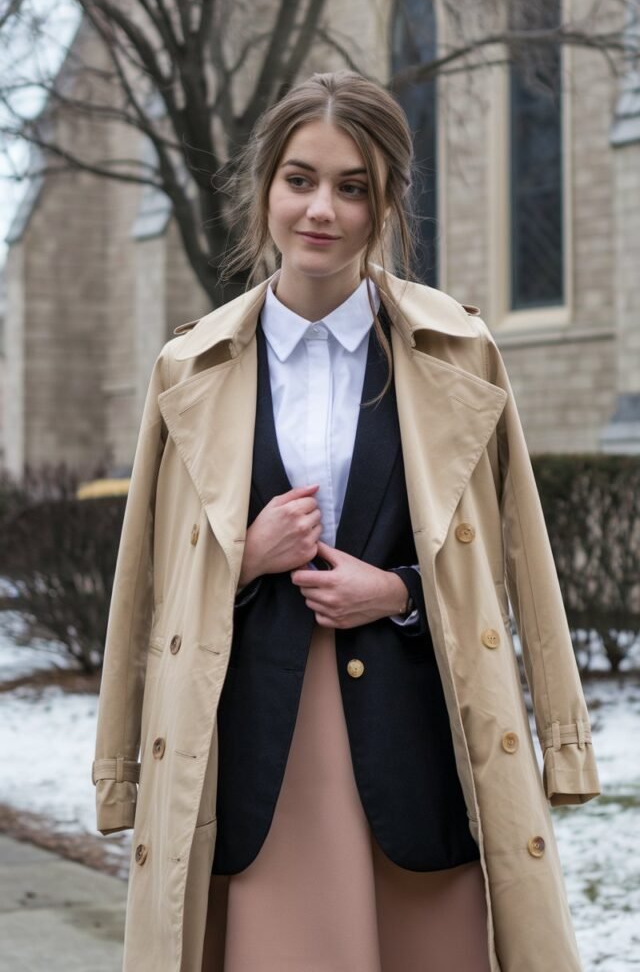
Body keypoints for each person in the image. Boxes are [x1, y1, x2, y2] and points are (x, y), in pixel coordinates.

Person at [92, 70, 601, 972]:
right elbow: (143, 592)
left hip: (420, 747)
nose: (321, 208)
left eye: (352, 186)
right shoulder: (189, 368)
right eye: (300, 179)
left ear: (386, 202)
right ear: (266, 191)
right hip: (254, 754)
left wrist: (397, 591)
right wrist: (243, 558)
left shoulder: (460, 353)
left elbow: (518, 558)